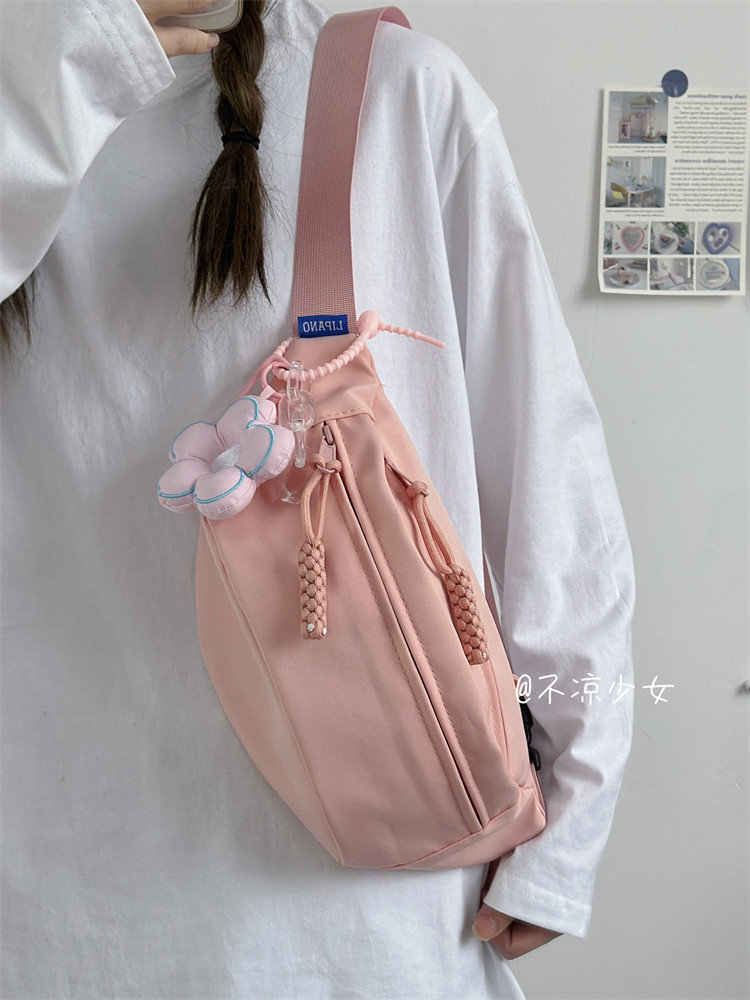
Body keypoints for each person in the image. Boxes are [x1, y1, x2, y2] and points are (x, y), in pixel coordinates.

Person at [0, 2, 635, 997]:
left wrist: (575, 811)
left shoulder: (390, 88)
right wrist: (68, 61)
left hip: (356, 907)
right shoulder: (22, 97)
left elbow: (543, 468)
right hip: (54, 911)